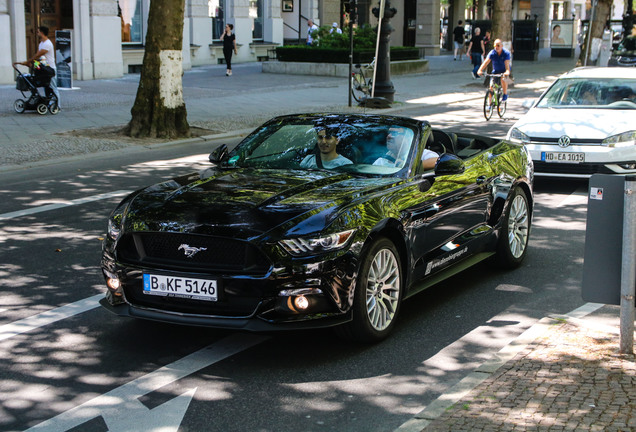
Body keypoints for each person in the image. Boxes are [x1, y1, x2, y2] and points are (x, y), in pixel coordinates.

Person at [14, 25, 61, 109]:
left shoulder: (47, 44)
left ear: (42, 33)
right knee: (46, 87)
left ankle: (58, 106)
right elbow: (39, 58)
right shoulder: (41, 43)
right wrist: (32, 65)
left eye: (38, 31)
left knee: (53, 88)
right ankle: (48, 104)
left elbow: (37, 55)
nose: (37, 32)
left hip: (50, 69)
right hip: (44, 69)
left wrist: (27, 62)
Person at [373, 127, 438, 170]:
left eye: (394, 133)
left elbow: (437, 161)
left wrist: (409, 167)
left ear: (408, 137)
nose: (389, 136)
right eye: (389, 133)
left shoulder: (419, 153)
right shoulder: (381, 161)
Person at [477, 39, 512, 103]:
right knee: (491, 87)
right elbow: (486, 62)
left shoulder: (506, 53)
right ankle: (489, 104)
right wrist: (480, 70)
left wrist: (507, 72)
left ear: (502, 46)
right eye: (495, 45)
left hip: (504, 71)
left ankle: (505, 94)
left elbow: (507, 67)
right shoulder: (492, 53)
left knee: (503, 79)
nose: (496, 47)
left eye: (498, 45)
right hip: (495, 71)